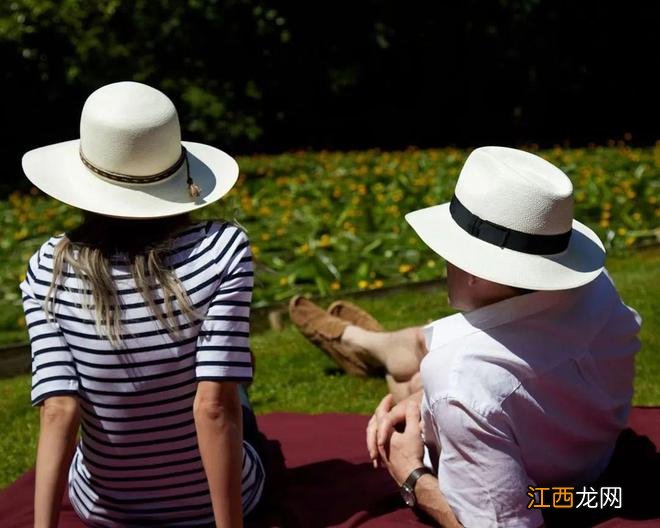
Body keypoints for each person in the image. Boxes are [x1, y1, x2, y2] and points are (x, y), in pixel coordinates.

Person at [290, 146, 643, 527]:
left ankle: (365, 346)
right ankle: (369, 346)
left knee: (422, 377)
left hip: (547, 497)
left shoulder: (462, 381)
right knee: (424, 378)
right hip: (598, 479)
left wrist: (410, 473)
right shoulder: (597, 287)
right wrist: (430, 397)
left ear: (473, 268)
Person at [19, 81, 265, 527]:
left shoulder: (46, 270)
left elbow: (59, 408)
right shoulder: (223, 249)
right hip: (214, 506)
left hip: (105, 511)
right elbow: (213, 406)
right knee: (234, 380)